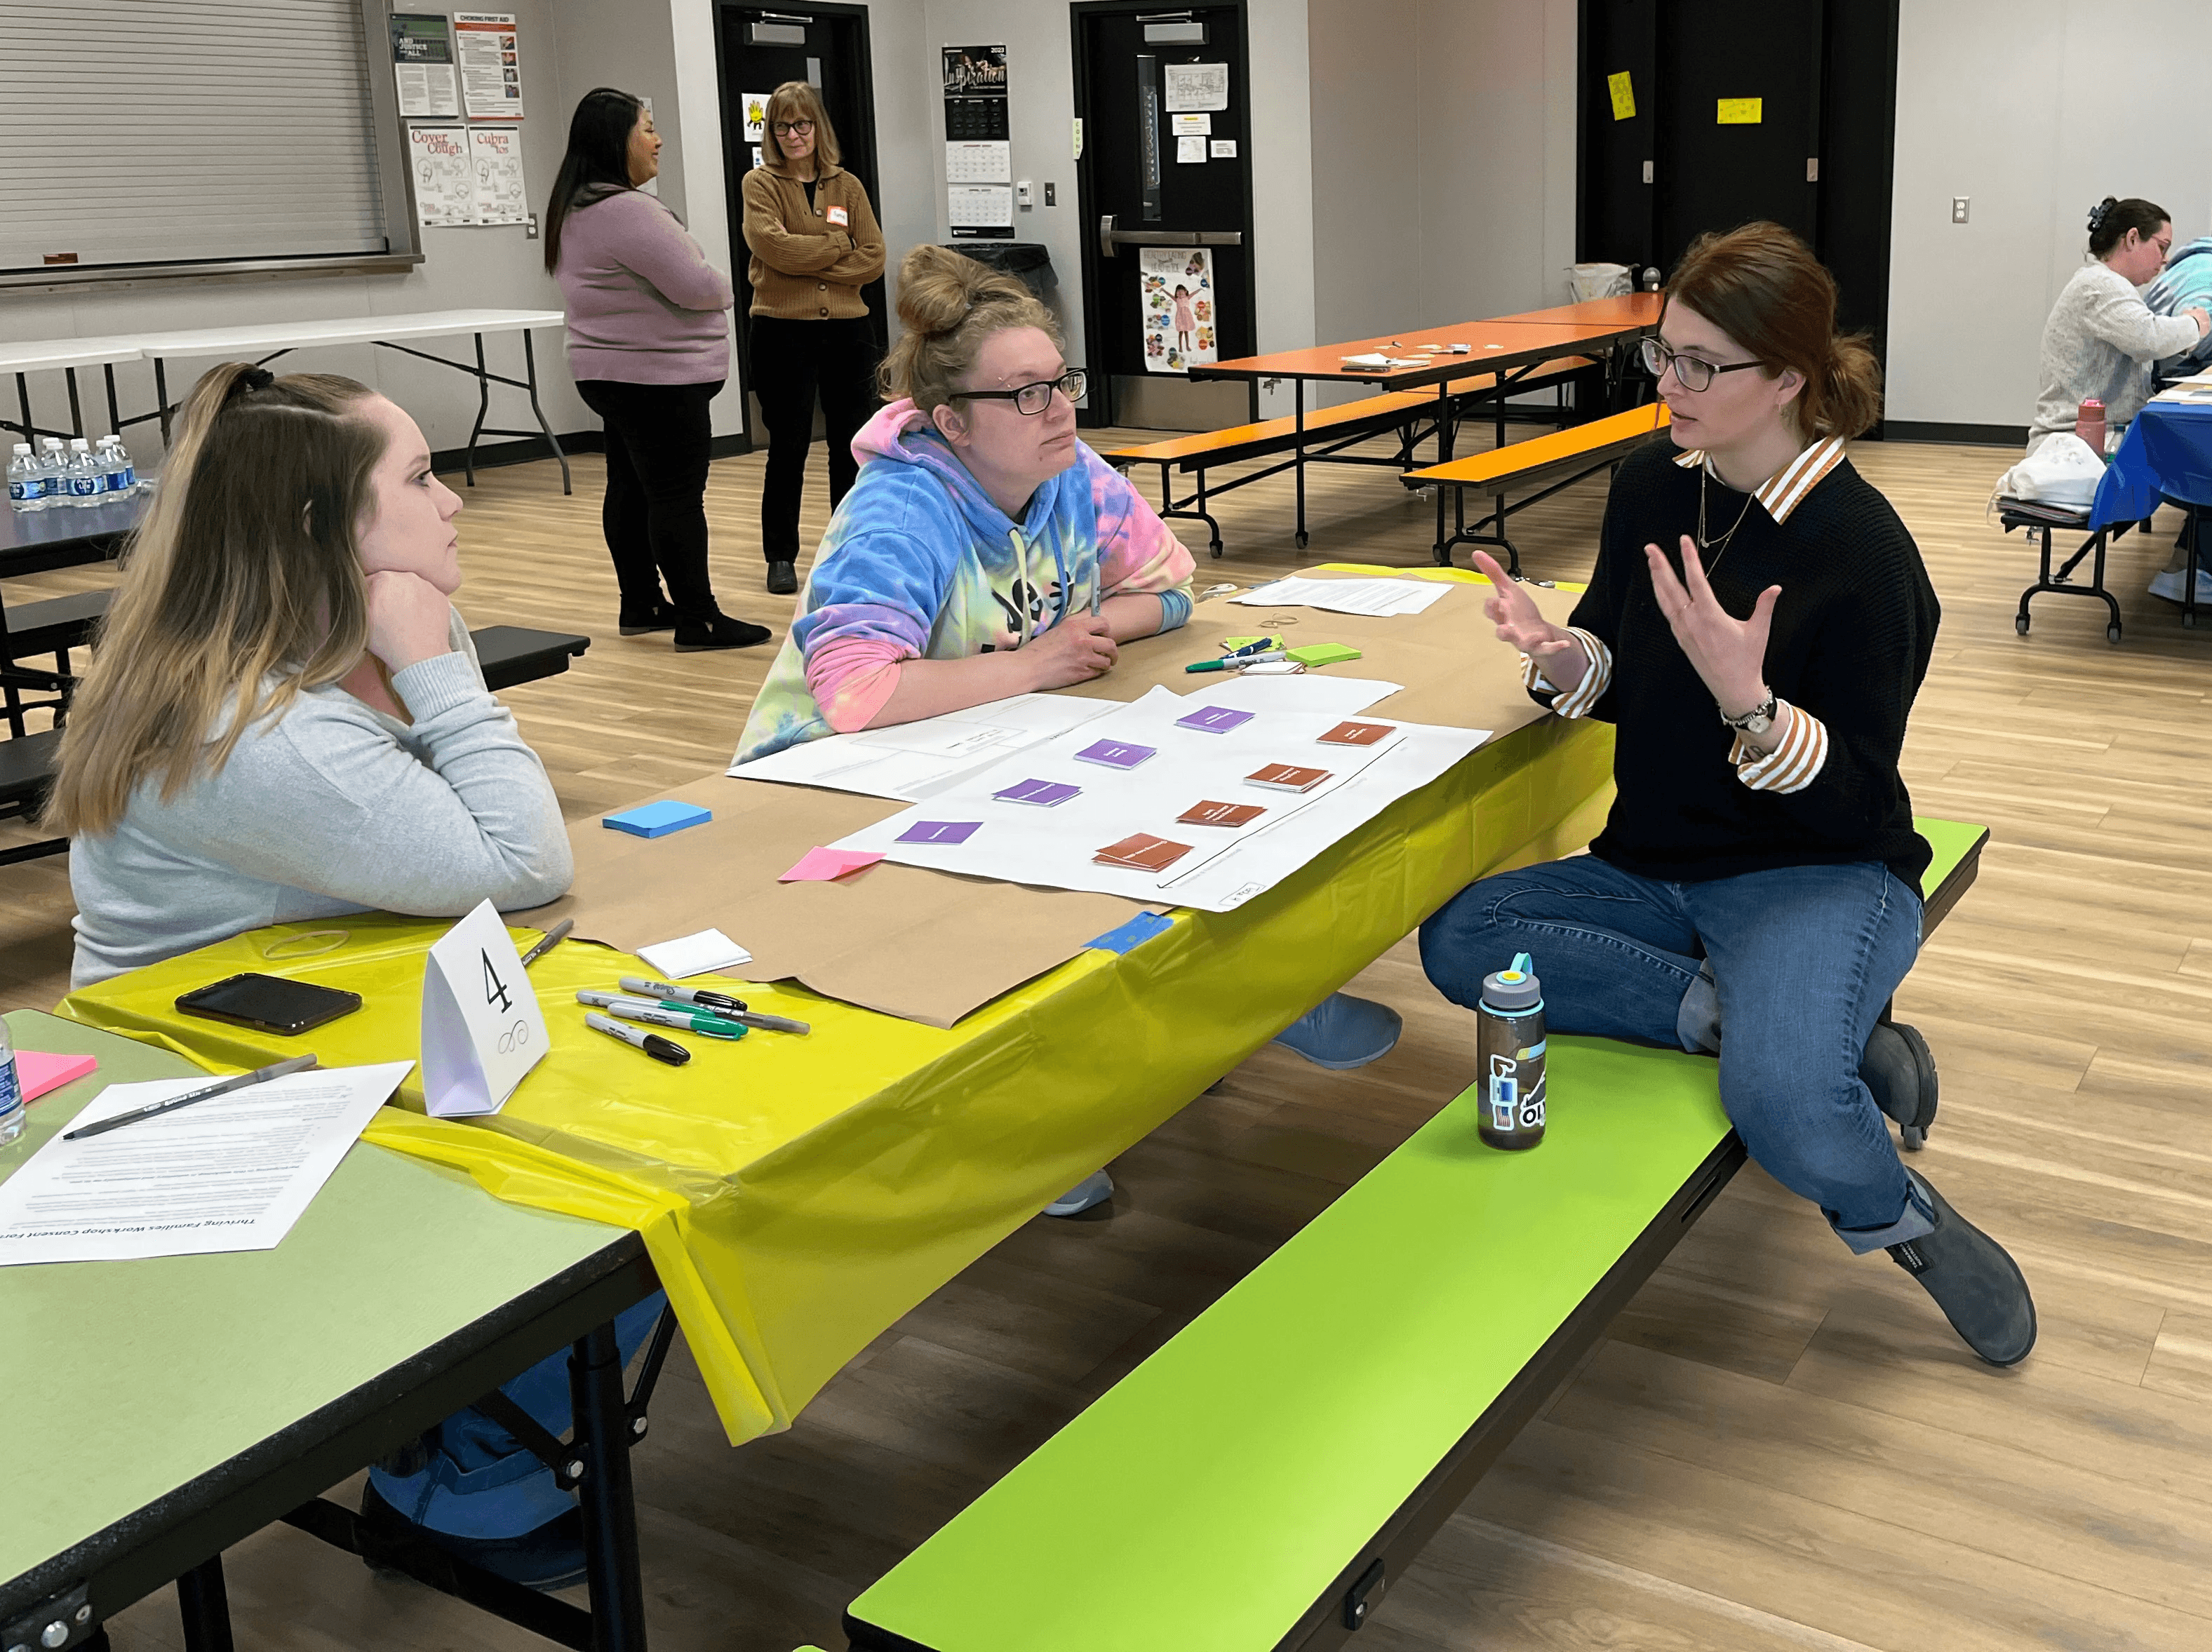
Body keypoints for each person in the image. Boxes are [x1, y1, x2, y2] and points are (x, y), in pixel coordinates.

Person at [46, 362, 657, 1588]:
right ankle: (462, 1487)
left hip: (315, 1027)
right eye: (422, 478)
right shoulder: (253, 727)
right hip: (204, 1109)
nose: (456, 503)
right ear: (326, 530)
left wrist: (431, 661)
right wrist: (441, 673)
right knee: (618, 1185)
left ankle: (463, 1437)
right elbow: (520, 857)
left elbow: (482, 846)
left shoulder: (364, 626)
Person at [1419, 222, 2037, 1369]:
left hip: (1818, 875)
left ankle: (1900, 1221)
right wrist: (1560, 660)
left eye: (1702, 365)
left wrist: (1751, 707)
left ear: (1788, 381)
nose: (1671, 386)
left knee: (1785, 1112)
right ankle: (1776, 1025)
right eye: (1664, 356)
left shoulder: (1864, 556)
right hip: (1652, 863)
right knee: (1464, 942)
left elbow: (1854, 797)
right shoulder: (1653, 483)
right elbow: (1613, 666)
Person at [732, 246, 1404, 1210]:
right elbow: (853, 692)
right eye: (1025, 395)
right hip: (829, 783)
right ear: (951, 421)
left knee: (1175, 798)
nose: (1058, 411)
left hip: (990, 731)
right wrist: (1036, 662)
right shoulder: (901, 509)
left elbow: (1170, 585)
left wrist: (1084, 633)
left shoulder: (1072, 474)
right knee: (1018, 886)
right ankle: (1028, 1116)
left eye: (1060, 384)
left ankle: (1228, 1003)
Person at [547, 86, 767, 651]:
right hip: (656, 380)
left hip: (610, 374)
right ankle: (700, 618)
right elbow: (701, 286)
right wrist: (723, 280)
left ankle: (640, 601)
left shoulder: (575, 205)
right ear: (615, 141)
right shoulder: (626, 211)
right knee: (674, 495)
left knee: (630, 486)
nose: (657, 139)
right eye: (647, 127)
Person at [741, 79, 886, 597]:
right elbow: (771, 248)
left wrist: (811, 253)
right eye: (781, 127)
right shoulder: (759, 184)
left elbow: (873, 256)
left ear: (817, 127)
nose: (792, 135)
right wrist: (833, 244)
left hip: (848, 330)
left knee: (851, 443)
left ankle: (847, 546)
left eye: (801, 124)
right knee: (789, 445)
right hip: (782, 331)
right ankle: (780, 555)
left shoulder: (846, 184)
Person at [2027, 196, 2207, 459]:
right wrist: (2195, 324)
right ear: (2133, 238)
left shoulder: (2105, 283)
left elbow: (2144, 343)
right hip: (2078, 446)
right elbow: (2149, 338)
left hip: (2090, 439)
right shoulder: (2100, 284)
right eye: (2162, 247)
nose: (2166, 259)